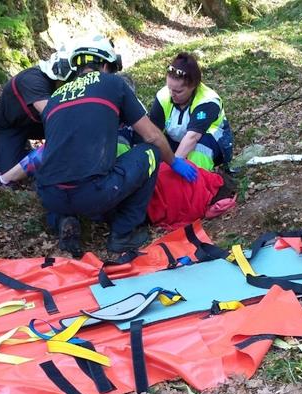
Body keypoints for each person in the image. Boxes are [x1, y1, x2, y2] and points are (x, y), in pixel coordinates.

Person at [35, 35, 198, 255]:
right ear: (104, 65)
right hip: (91, 193)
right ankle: (123, 233)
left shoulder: (55, 97)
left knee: (66, 182)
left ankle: (63, 219)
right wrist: (174, 161)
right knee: (150, 152)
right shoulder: (113, 83)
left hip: (49, 194)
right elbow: (152, 136)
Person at [0, 48, 73, 185]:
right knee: (7, 176)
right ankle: (30, 154)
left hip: (36, 124)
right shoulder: (33, 80)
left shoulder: (60, 83)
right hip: (10, 127)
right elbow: (55, 116)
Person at [149, 52, 233, 171]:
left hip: (211, 143)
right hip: (178, 141)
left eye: (178, 91)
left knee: (198, 151)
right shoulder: (163, 96)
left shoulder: (207, 101)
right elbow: (153, 133)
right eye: (169, 88)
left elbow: (193, 137)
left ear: (193, 86)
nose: (172, 94)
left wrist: (173, 165)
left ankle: (198, 181)